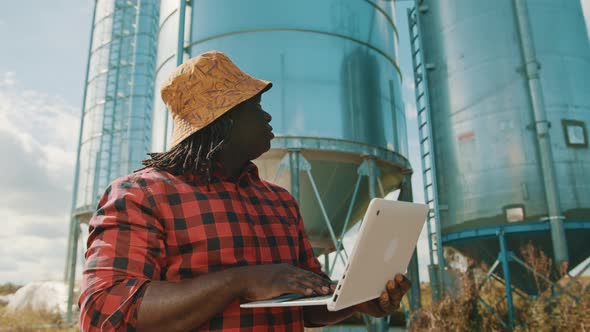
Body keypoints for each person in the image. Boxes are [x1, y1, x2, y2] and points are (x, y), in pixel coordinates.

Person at [78, 51, 411, 331]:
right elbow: (103, 310)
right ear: (222, 120)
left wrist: (358, 300)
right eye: (255, 106)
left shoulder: (280, 203)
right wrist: (241, 281)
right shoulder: (141, 195)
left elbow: (307, 306)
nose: (267, 116)